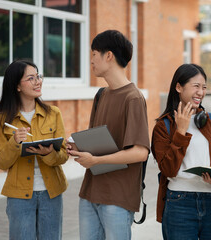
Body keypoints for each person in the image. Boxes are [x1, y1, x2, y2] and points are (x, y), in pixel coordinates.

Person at [67, 30, 150, 240]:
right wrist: (75, 147)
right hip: (90, 193)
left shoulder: (133, 98)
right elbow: (97, 142)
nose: (91, 60)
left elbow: (140, 152)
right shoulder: (101, 94)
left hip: (117, 199)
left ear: (109, 56)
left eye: (94, 53)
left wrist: (95, 160)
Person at [151, 63, 211, 240]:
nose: (201, 92)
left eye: (204, 87)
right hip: (179, 204)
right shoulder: (163, 127)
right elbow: (168, 169)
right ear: (179, 87)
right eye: (196, 86)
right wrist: (181, 131)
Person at [0, 60, 69, 240]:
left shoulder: (53, 113)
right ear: (17, 85)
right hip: (19, 196)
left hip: (52, 193)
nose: (38, 81)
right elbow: (1, 162)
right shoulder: (1, 119)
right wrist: (14, 143)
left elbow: (64, 155)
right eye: (31, 78)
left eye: (38, 76)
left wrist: (48, 153)